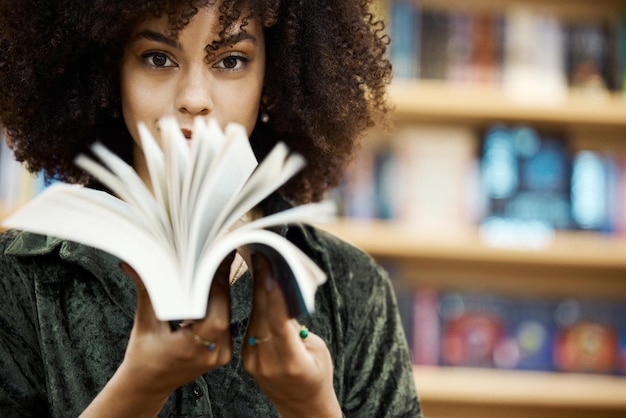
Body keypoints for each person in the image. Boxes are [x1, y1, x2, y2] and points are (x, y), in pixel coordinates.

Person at [0, 0, 422, 417]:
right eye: (158, 58)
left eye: (231, 61)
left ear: (271, 78)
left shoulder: (353, 288)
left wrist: (312, 407)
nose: (194, 98)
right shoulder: (17, 279)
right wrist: (138, 390)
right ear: (110, 71)